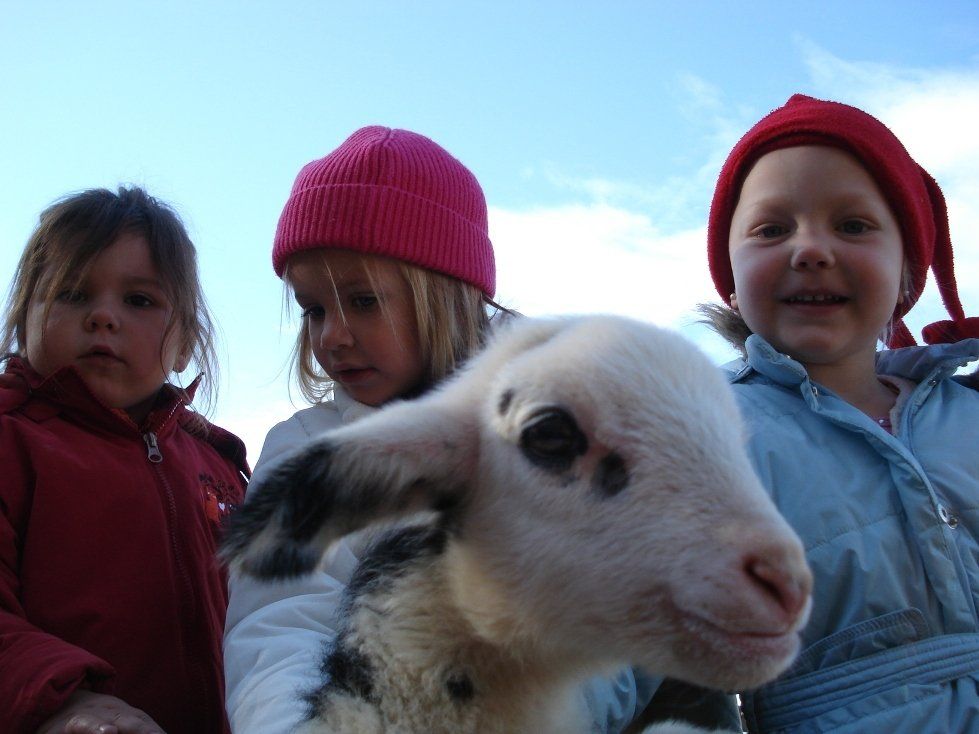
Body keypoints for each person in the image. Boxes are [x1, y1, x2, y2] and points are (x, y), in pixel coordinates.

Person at [223, 126, 741, 733]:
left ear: (444, 294)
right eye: (314, 310)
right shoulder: (308, 450)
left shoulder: (566, 421)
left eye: (363, 302)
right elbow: (280, 618)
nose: (331, 335)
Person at [702, 94, 979, 732]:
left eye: (853, 226)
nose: (811, 250)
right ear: (731, 278)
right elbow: (615, 646)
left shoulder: (969, 412)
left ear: (906, 270)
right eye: (772, 229)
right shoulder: (708, 432)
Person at [0, 187, 249, 734]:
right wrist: (64, 701)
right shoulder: (11, 441)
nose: (102, 317)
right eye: (71, 293)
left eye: (138, 300)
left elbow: (276, 616)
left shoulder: (221, 465)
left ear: (186, 343)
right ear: (22, 320)